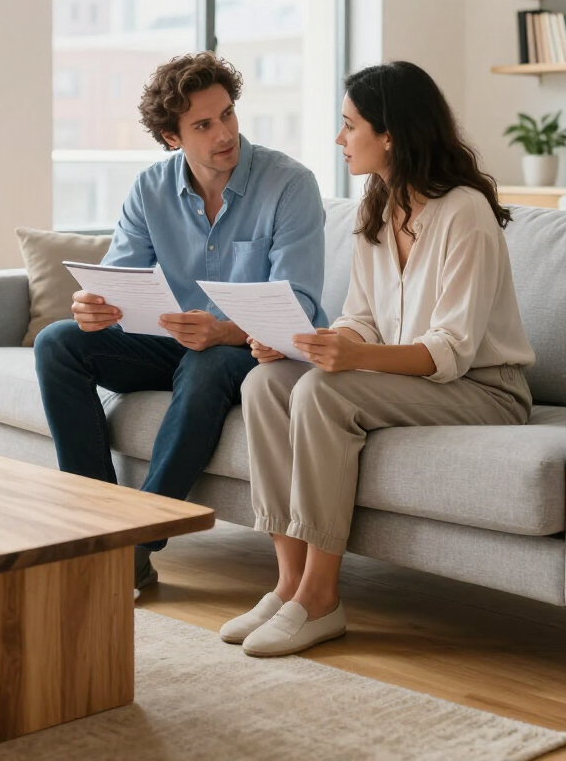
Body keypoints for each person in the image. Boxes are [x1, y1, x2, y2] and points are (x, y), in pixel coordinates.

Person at [220, 60, 535, 657]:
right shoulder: (380, 206)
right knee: (267, 381)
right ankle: (288, 583)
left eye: (349, 126)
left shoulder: (464, 212)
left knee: (322, 392)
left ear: (390, 134)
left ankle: (321, 599)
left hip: (484, 388)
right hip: (416, 377)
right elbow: (361, 318)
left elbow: (453, 350)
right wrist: (311, 343)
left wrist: (346, 358)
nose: (339, 140)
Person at [35, 52, 326, 591]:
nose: (224, 133)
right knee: (58, 342)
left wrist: (224, 330)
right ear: (173, 138)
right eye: (203, 124)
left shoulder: (289, 184)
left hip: (249, 350)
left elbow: (301, 306)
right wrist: (95, 307)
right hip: (170, 341)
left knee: (207, 362)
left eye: (228, 114)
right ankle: (97, 523)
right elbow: (119, 281)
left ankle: (136, 542)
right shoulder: (150, 189)